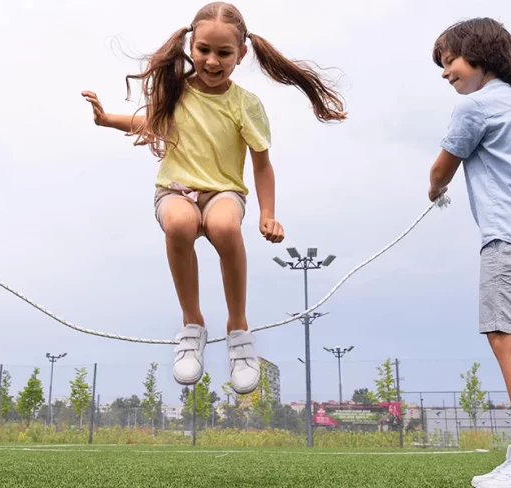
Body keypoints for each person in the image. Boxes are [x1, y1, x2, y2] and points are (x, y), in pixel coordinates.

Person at [81, 1, 346, 394]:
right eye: (204, 50)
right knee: (179, 223)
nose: (211, 61)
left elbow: (262, 165)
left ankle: (238, 329)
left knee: (223, 226)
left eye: (224, 53)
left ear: (241, 54)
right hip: (176, 190)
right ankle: (192, 325)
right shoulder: (176, 92)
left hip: (224, 192)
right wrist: (106, 120)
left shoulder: (245, 104)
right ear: (191, 46)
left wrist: (268, 213)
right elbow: (149, 122)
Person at [427, 17, 511, 488]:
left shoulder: (474, 107)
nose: (445, 72)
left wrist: (434, 190)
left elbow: (442, 167)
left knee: (508, 341)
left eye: (450, 61)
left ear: (480, 56)